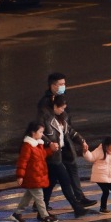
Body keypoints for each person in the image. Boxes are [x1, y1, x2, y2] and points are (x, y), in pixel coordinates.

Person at [36, 72, 96, 208]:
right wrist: (49, 143)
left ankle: (79, 198)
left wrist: (80, 140)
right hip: (53, 147)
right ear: (52, 85)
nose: (63, 86)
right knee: (54, 177)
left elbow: (68, 126)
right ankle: (41, 203)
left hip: (64, 143)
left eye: (64, 83)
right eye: (60, 84)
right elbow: (42, 128)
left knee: (71, 169)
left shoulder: (61, 99)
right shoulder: (44, 104)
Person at [39, 95, 89, 218]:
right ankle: (77, 208)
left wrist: (82, 141)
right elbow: (38, 133)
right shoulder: (45, 118)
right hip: (51, 157)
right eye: (61, 108)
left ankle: (42, 211)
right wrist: (49, 143)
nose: (63, 110)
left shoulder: (62, 118)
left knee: (50, 184)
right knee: (65, 181)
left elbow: (70, 132)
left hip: (59, 155)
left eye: (64, 108)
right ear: (54, 106)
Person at [10, 122, 59, 222]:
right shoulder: (27, 146)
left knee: (27, 196)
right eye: (40, 132)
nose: (42, 134)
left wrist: (51, 150)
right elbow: (22, 161)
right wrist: (20, 176)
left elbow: (43, 155)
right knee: (39, 197)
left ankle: (17, 214)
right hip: (32, 176)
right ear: (33, 132)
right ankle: (44, 216)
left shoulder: (38, 145)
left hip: (37, 175)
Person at [83, 136, 111, 214]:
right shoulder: (100, 151)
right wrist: (86, 152)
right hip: (100, 176)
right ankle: (103, 208)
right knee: (106, 191)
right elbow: (91, 157)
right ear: (106, 145)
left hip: (109, 177)